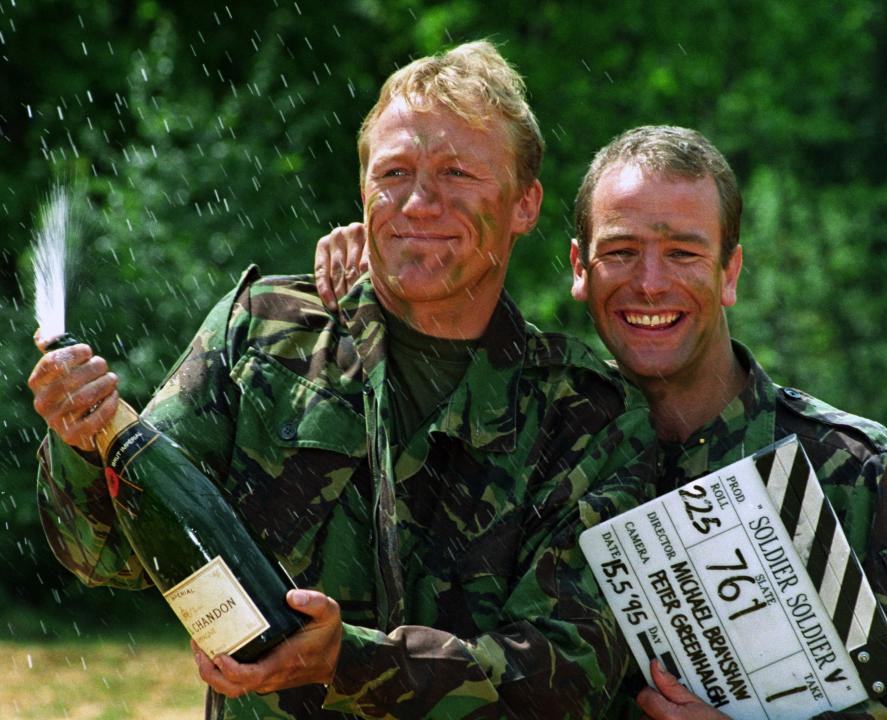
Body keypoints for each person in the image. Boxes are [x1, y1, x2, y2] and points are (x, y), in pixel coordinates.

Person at [27, 42, 655, 719]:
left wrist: (347, 661)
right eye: (394, 172)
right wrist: (83, 441)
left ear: (525, 204)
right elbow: (106, 555)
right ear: (362, 192)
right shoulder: (263, 334)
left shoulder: (586, 414)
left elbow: (563, 677)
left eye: (457, 173)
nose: (419, 202)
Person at [314, 125, 887, 719]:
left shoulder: (850, 469)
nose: (650, 284)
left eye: (682, 253)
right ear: (578, 269)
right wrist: (399, 256)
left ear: (728, 272)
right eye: (621, 251)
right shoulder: (530, 441)